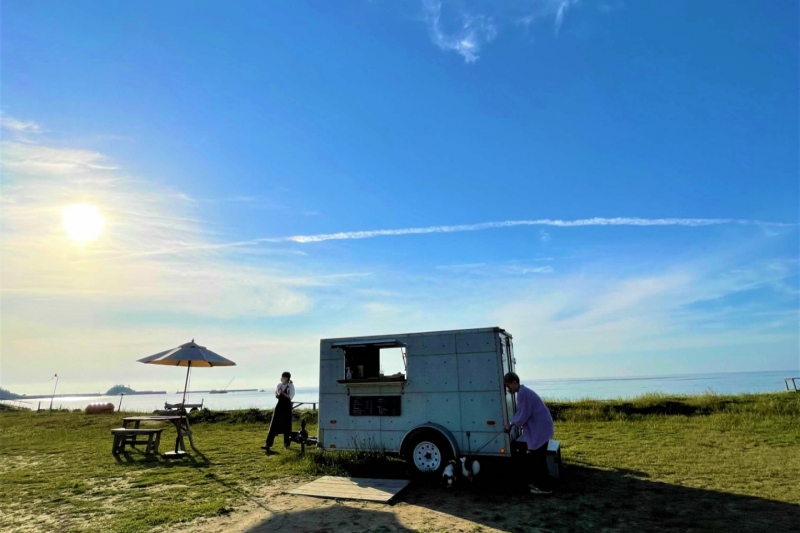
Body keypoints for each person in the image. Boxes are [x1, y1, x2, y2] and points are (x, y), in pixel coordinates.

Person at [503, 371, 555, 495]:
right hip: (541, 427)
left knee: (539, 458)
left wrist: (510, 424)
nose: (508, 389)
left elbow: (523, 415)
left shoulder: (523, 394)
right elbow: (521, 412)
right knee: (537, 457)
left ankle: (545, 487)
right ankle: (539, 483)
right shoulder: (523, 392)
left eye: (508, 386)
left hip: (540, 428)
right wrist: (513, 422)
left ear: (514, 383)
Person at [261, 371, 295, 454]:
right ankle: (268, 444)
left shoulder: (290, 386)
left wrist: (282, 393)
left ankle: (287, 444)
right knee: (273, 424)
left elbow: (290, 396)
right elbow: (276, 394)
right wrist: (277, 394)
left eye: (283, 377)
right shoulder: (279, 385)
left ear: (287, 378)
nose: (282, 379)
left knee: (287, 425)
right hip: (279, 405)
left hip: (286, 406)